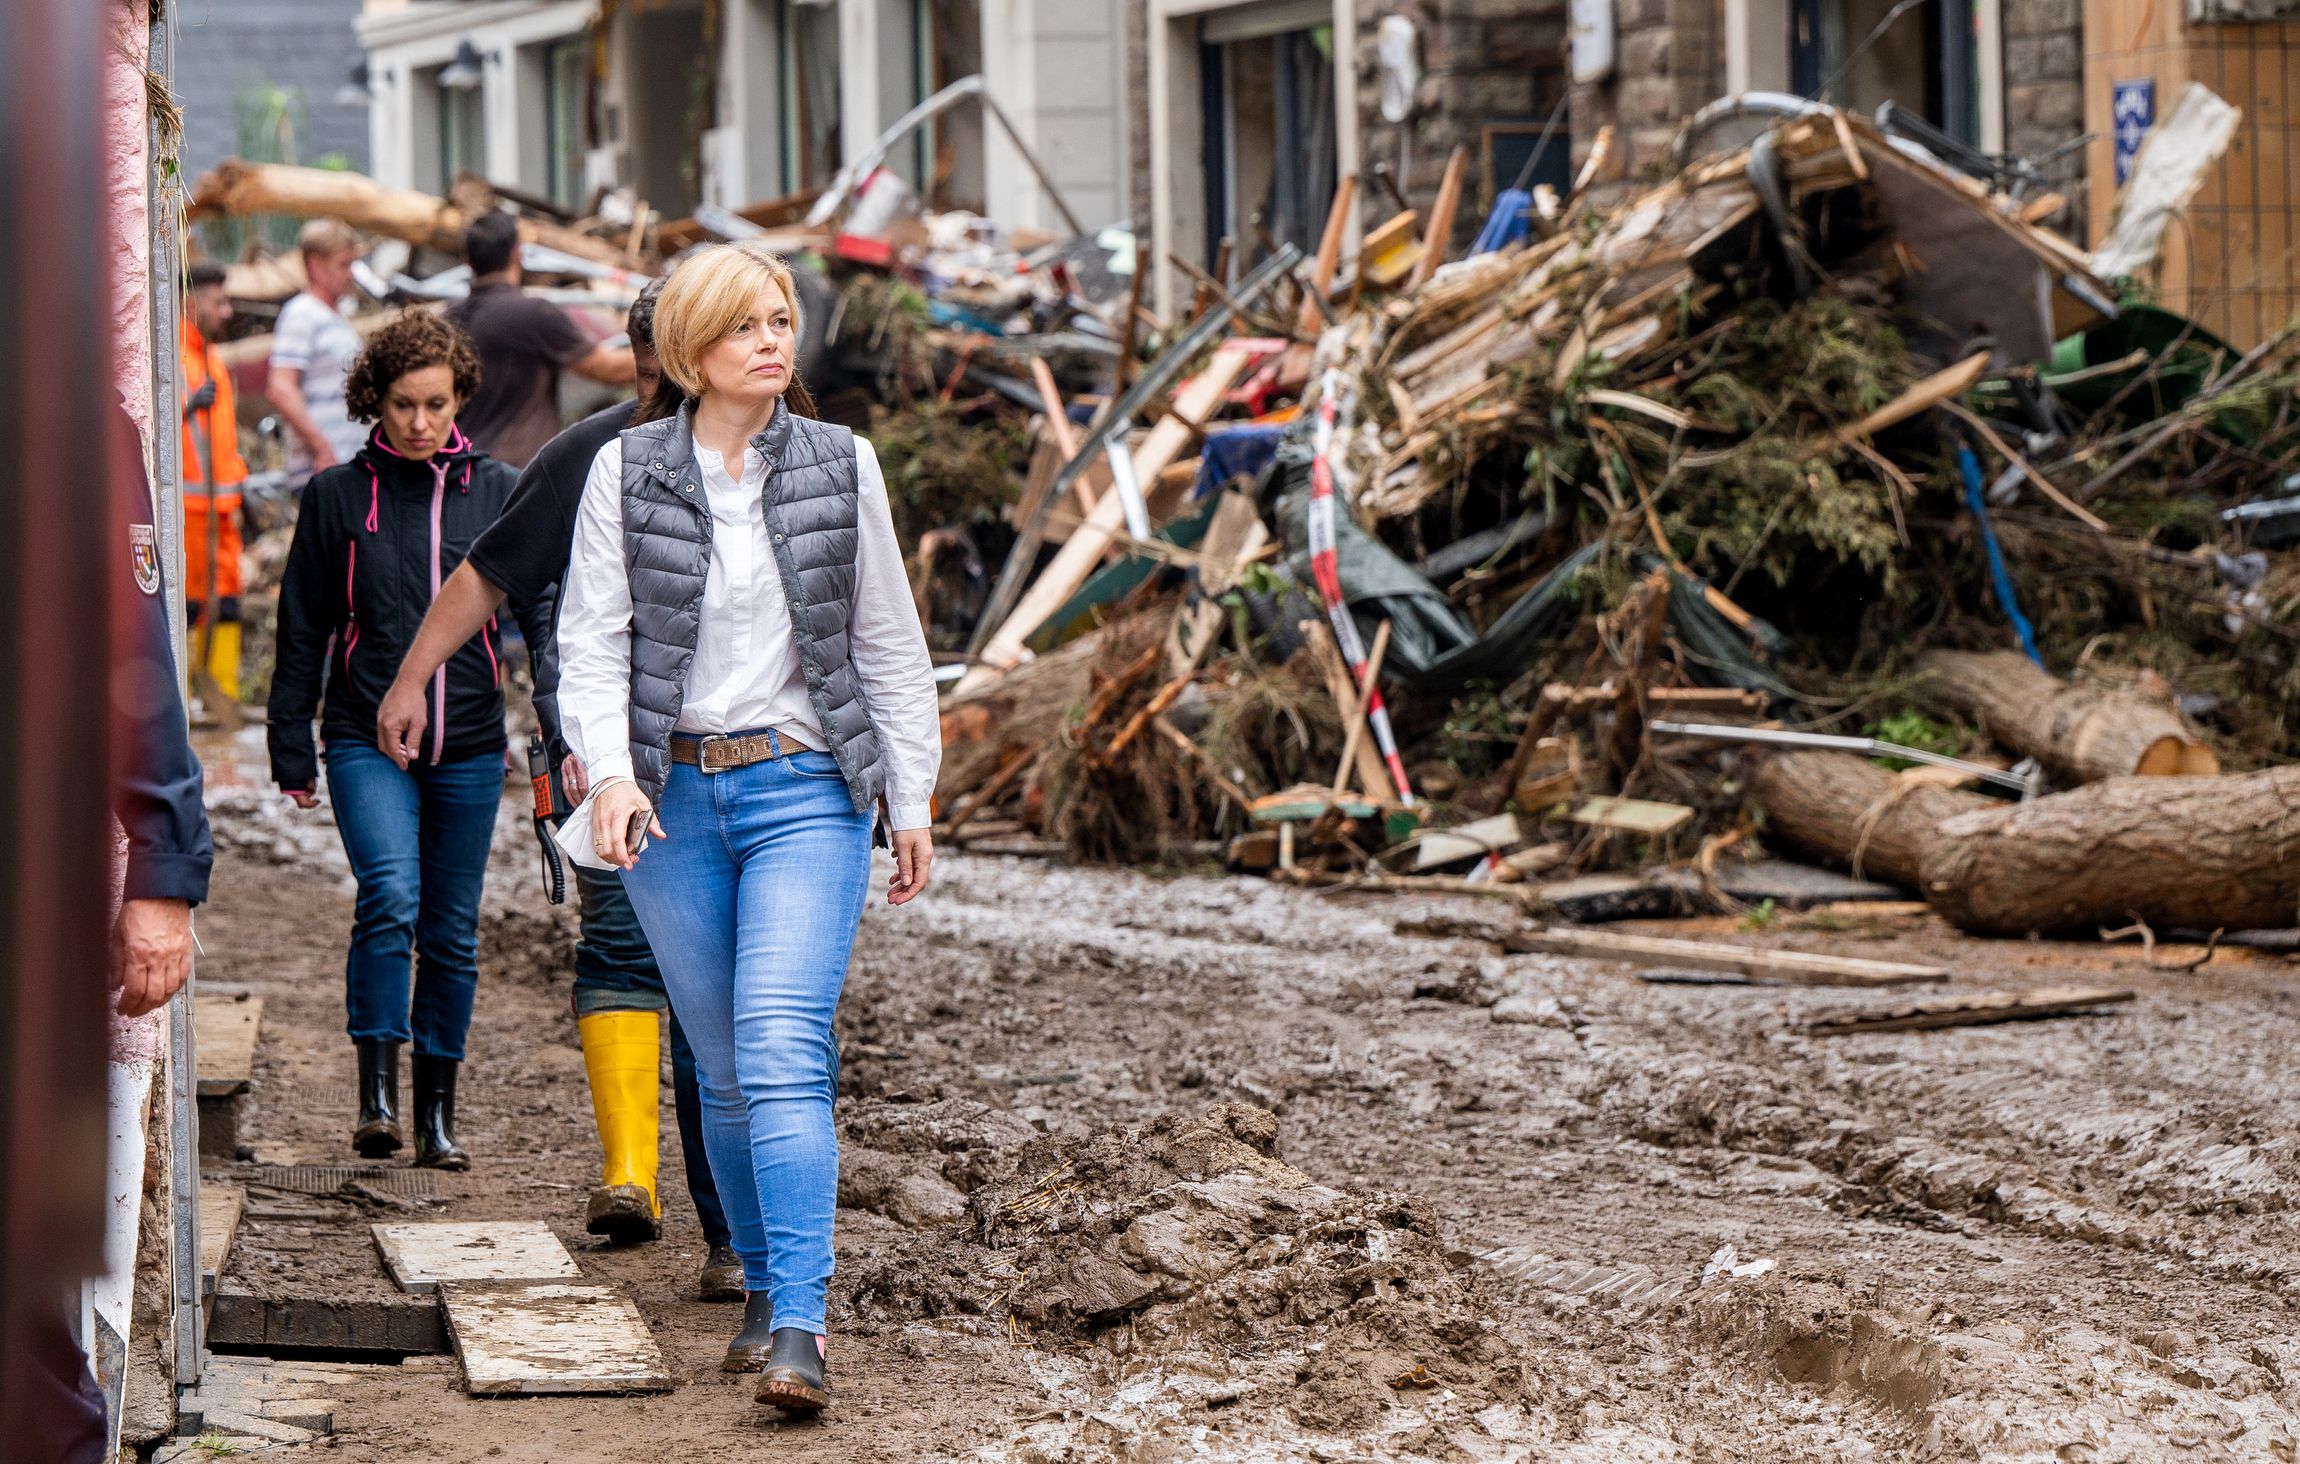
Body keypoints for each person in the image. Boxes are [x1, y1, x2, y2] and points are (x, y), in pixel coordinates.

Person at [558, 240, 940, 1414]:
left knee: (780, 1046)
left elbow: (885, 638)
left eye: (781, 321)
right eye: (745, 328)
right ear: (689, 352)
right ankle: (766, 1291)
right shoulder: (626, 472)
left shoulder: (843, 463)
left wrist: (909, 791)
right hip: (670, 806)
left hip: (805, 791)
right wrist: (610, 776)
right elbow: (590, 640)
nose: (774, 342)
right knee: (721, 1072)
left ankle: (802, 1329)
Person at [374, 280, 743, 1303]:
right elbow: (483, 577)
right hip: (597, 759)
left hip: (746, 766)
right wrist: (410, 679)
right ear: (632, 363)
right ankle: (633, 1175)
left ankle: (732, 1233)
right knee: (628, 948)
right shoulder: (583, 459)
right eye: (649, 370)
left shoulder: (784, 452)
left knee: (729, 994)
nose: (661, 390)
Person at [267, 311, 552, 1170]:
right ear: (373, 405)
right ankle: (377, 1097)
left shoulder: (501, 490)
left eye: (435, 404)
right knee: (390, 893)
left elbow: (538, 613)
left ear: (461, 396)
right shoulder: (336, 498)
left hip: (469, 743)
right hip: (363, 735)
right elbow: (302, 628)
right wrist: (290, 747)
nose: (421, 423)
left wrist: (560, 723)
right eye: (402, 406)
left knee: (452, 929)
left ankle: (436, 1117)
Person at [444, 211, 634, 469]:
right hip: (517, 475)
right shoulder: (533, 314)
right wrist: (675, 358)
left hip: (459, 472)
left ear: (467, 261)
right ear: (518, 254)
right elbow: (608, 368)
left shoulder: (448, 320)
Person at [181, 260, 248, 703]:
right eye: (217, 301)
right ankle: (185, 702)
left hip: (220, 512)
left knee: (225, 604)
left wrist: (242, 488)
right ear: (190, 300)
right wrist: (185, 405)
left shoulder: (212, 358)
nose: (226, 311)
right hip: (187, 514)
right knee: (187, 608)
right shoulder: (173, 358)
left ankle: (221, 697)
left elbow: (222, 439)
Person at [267, 218, 370, 484]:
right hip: (323, 470)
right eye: (343, 264)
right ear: (315, 265)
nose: (351, 274)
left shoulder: (336, 317)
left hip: (345, 467)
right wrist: (322, 448)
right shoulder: (301, 314)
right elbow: (281, 388)